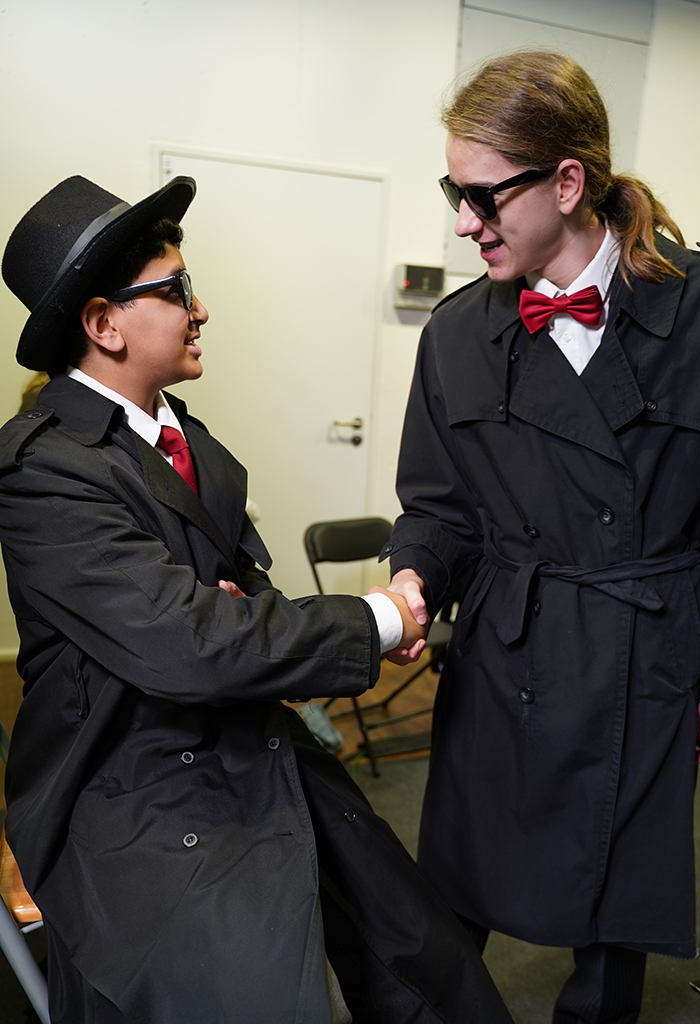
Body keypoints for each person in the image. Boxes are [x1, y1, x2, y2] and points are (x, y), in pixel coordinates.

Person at [0, 175, 513, 1024]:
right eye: (177, 290)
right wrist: (376, 618)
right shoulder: (43, 468)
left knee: (425, 952)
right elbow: (189, 640)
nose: (199, 310)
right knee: (255, 990)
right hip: (132, 788)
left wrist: (240, 627)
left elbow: (240, 608)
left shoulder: (188, 442)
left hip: (247, 738)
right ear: (103, 324)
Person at [384, 51, 700, 1024]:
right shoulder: (455, 333)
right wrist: (413, 578)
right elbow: (437, 507)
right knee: (456, 884)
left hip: (644, 645)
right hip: (505, 646)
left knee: (615, 904)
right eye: (453, 194)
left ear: (566, 182)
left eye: (482, 196)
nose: (463, 221)